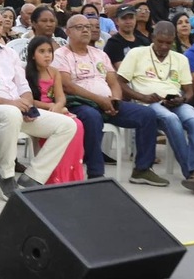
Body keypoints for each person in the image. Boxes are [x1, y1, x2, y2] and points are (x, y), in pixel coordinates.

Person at [0, 9, 77, 197]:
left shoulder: (9, 53)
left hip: (15, 110)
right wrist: (12, 103)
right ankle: (6, 175)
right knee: (10, 113)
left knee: (67, 124)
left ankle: (33, 176)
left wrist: (26, 104)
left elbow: (23, 86)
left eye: (0, 24)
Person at [53, 14, 164, 184]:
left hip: (108, 103)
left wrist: (115, 100)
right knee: (92, 118)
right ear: (67, 31)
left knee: (147, 115)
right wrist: (99, 100)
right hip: (80, 103)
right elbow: (68, 85)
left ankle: (142, 169)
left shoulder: (100, 54)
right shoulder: (61, 54)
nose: (85, 30)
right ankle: (96, 174)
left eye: (88, 27)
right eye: (79, 27)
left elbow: (113, 81)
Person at [118, 22, 194, 196]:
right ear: (152, 38)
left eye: (168, 43)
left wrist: (183, 99)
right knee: (171, 120)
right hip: (148, 102)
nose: (164, 46)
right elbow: (121, 82)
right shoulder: (137, 54)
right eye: (160, 41)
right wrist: (142, 97)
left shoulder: (180, 58)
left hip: (175, 101)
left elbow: (190, 91)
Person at [24, 37, 85, 184]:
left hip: (55, 110)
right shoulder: (26, 72)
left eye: (50, 51)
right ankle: (54, 175)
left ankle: (69, 174)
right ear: (32, 55)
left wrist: (57, 107)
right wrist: (50, 108)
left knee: (78, 125)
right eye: (42, 51)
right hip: (37, 111)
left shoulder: (54, 72)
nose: (47, 55)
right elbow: (29, 100)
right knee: (62, 127)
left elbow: (60, 97)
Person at [103, 5, 149, 70]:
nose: (128, 22)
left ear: (135, 19)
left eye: (131, 18)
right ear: (117, 21)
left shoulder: (144, 41)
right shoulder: (113, 43)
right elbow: (122, 70)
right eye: (124, 18)